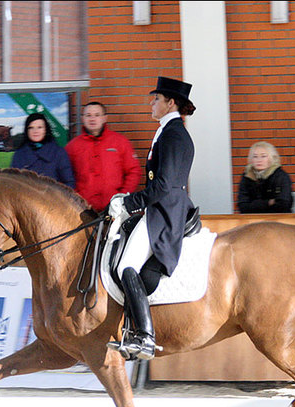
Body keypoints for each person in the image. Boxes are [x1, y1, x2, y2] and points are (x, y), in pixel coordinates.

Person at [105, 76, 197, 361]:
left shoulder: (173, 134)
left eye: (155, 98)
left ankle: (144, 335)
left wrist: (129, 203)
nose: (151, 103)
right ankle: (134, 332)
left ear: (170, 103)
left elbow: (163, 185)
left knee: (125, 266)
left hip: (164, 210)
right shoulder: (167, 131)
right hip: (161, 205)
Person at [65, 101, 142, 211]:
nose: (92, 119)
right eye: (88, 115)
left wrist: (122, 197)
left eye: (97, 115)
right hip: (83, 210)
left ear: (104, 118)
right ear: (83, 118)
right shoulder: (72, 147)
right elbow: (65, 176)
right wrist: (76, 198)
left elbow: (133, 171)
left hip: (115, 209)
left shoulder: (120, 142)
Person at [10, 112, 75, 188]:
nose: (35, 131)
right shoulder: (19, 154)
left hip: (52, 198)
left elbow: (69, 183)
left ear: (45, 130)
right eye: (31, 128)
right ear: (27, 131)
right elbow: (13, 183)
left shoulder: (58, 153)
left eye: (39, 127)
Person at [236, 141, 293, 213]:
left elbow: (284, 205)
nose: (259, 160)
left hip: (277, 221)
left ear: (272, 158)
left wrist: (254, 205)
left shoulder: (281, 176)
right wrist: (268, 202)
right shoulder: (247, 177)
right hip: (252, 221)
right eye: (255, 156)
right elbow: (243, 207)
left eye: (263, 156)